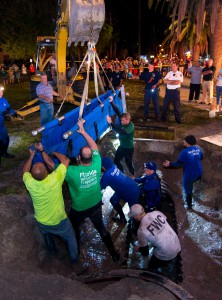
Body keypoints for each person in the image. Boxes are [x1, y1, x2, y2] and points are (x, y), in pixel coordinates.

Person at [45, 119, 120, 263]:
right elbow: (94, 146)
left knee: (74, 229)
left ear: (78, 158)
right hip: (96, 204)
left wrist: (50, 152)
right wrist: (83, 131)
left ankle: (76, 253)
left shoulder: (71, 171)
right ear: (92, 157)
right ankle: (114, 254)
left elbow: (50, 166)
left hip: (79, 208)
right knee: (102, 229)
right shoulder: (97, 163)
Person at [22, 145, 86, 274]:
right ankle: (75, 263)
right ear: (47, 172)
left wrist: (31, 156)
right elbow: (66, 161)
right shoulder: (55, 179)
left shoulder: (29, 183)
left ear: (32, 176)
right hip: (59, 220)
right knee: (71, 238)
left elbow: (24, 171)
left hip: (42, 221)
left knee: (47, 236)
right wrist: (53, 152)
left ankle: (54, 254)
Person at [129, 204, 181, 272]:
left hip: (166, 253)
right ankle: (166, 264)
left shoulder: (141, 230)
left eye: (133, 216)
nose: (134, 218)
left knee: (151, 266)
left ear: (136, 216)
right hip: (177, 244)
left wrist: (138, 248)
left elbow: (145, 253)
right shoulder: (157, 212)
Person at [163, 135, 203, 209]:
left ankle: (189, 205)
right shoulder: (198, 149)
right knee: (191, 183)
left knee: (187, 188)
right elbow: (201, 157)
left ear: (187, 142)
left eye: (184, 140)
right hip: (199, 172)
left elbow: (179, 163)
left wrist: (169, 164)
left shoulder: (184, 152)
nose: (183, 141)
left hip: (190, 174)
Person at [100, 157, 141, 224]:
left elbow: (100, 187)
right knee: (113, 200)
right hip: (130, 185)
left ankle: (135, 227)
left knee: (134, 212)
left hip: (131, 192)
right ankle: (122, 218)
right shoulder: (114, 166)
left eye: (101, 166)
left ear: (103, 166)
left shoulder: (106, 175)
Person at [106, 97, 135, 176]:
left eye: (123, 121)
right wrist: (112, 102)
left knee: (128, 163)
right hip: (122, 146)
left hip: (128, 148)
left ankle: (133, 176)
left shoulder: (130, 126)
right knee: (116, 160)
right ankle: (122, 174)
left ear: (128, 120)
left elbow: (121, 131)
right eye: (121, 120)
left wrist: (111, 123)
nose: (121, 122)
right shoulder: (123, 120)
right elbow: (118, 112)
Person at [0, 85, 19, 159]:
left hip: (1, 126)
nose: (0, 93)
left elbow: (8, 108)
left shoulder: (3, 99)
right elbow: (2, 111)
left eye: (1, 91)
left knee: (5, 139)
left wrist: (14, 113)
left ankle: (4, 153)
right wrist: (4, 112)